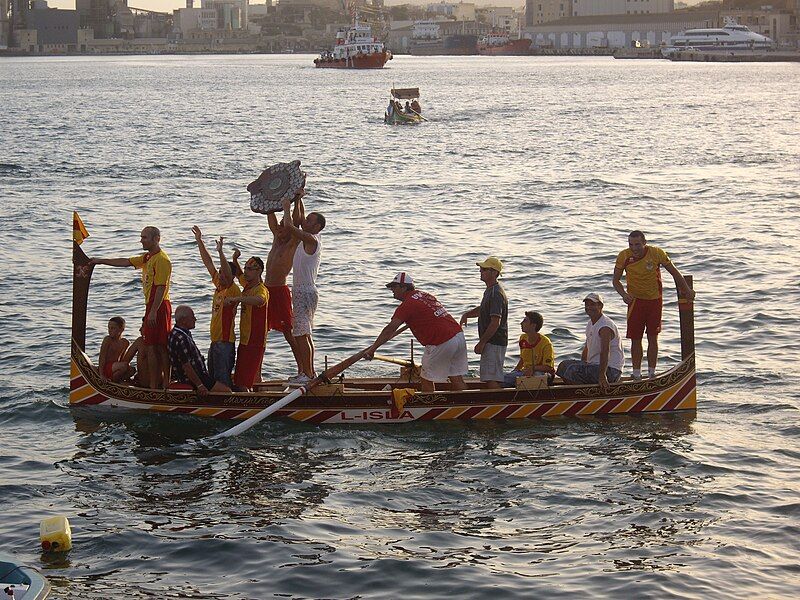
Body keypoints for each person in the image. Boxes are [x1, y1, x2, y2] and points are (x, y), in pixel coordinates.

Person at [90, 226, 172, 389]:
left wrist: (154, 311)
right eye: (141, 237)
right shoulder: (147, 257)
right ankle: (157, 384)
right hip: (151, 305)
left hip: (159, 305)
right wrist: (100, 261)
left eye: (145, 237)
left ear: (157, 239)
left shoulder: (162, 259)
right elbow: (126, 262)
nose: (141, 240)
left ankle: (161, 385)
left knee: (160, 346)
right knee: (151, 346)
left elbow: (161, 287)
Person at [612, 230, 696, 379]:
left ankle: (651, 372)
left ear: (645, 243)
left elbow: (675, 273)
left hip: (654, 301)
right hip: (635, 302)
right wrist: (624, 295)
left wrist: (687, 290)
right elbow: (615, 281)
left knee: (653, 336)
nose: (634, 248)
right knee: (635, 339)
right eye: (631, 244)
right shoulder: (624, 256)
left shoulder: (657, 253)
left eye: (637, 244)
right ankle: (636, 373)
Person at [365, 272, 467, 392]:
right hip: (458, 336)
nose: (392, 289)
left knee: (426, 379)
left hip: (442, 341)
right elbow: (428, 315)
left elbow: (390, 329)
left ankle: (429, 406)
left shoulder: (407, 305)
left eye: (394, 286)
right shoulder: (424, 295)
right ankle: (470, 403)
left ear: (404, 287)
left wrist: (372, 349)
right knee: (456, 377)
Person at [281, 194, 326, 384]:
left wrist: (285, 207)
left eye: (309, 221)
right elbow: (299, 220)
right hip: (304, 290)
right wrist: (298, 200)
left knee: (300, 334)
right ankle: (309, 372)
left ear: (317, 227)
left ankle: (306, 375)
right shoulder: (308, 237)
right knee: (304, 333)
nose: (305, 221)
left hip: (303, 291)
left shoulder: (312, 240)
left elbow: (290, 226)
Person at [192, 226, 240, 389]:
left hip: (225, 342)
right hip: (215, 341)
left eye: (223, 273)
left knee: (222, 379)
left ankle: (228, 405)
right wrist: (199, 241)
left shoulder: (233, 289)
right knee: (212, 377)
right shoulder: (219, 285)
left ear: (232, 277)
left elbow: (226, 271)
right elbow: (208, 263)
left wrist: (221, 252)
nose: (220, 275)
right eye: (219, 273)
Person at [556, 293, 624, 391]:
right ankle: (578, 389)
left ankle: (584, 392)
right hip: (594, 366)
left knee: (571, 370)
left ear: (600, 306)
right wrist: (582, 364)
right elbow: (586, 348)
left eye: (592, 304)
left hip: (611, 371)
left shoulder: (605, 326)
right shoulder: (590, 323)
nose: (588, 307)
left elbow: (605, 351)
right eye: (587, 305)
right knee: (563, 366)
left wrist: (602, 376)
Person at [265, 202, 304, 373]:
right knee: (260, 331)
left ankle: (302, 368)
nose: (279, 228)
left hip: (280, 291)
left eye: (283, 225)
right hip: (265, 290)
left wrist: (294, 203)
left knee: (288, 333)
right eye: (279, 225)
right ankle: (257, 372)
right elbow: (272, 222)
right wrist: (269, 203)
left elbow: (296, 221)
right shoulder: (277, 240)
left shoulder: (292, 242)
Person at [459, 256, 508, 389]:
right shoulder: (490, 291)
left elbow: (495, 322)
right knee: (489, 377)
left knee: (490, 379)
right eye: (481, 269)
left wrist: (482, 342)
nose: (481, 271)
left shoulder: (496, 293)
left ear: (494, 273)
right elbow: (484, 309)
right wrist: (467, 314)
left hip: (494, 342)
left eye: (484, 269)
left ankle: (501, 406)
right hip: (492, 341)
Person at [226, 255, 269, 391]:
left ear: (259, 271)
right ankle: (253, 391)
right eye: (246, 268)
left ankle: (247, 400)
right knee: (240, 378)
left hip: (255, 340)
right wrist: (234, 260)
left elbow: (260, 301)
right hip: (245, 339)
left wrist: (238, 299)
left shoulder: (260, 289)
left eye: (250, 269)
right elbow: (239, 275)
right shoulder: (247, 285)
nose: (246, 272)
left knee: (244, 381)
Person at [167, 305, 231, 396]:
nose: (195, 319)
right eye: (192, 317)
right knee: (227, 392)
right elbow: (186, 366)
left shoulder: (178, 333)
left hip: (198, 376)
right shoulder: (181, 338)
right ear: (184, 320)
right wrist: (200, 385)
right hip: (195, 378)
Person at [503, 311, 555, 387]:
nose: (521, 323)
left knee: (535, 375)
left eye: (525, 321)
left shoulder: (546, 343)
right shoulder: (523, 338)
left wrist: (533, 368)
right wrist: (514, 372)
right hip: (526, 371)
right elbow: (522, 360)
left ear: (533, 325)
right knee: (501, 377)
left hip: (543, 374)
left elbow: (548, 367)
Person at [98, 317, 133, 382]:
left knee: (132, 370)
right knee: (124, 366)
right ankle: (112, 380)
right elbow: (102, 358)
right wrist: (101, 374)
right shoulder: (107, 340)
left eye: (113, 328)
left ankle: (115, 380)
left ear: (121, 329)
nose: (110, 330)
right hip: (107, 367)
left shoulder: (125, 342)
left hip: (116, 367)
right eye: (109, 328)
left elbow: (122, 359)